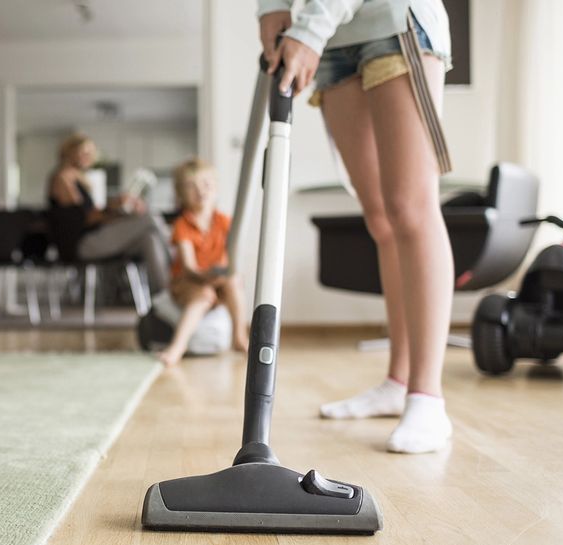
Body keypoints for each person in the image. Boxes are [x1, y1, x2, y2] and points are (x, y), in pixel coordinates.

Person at [257, 0, 455, 454]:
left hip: (394, 22)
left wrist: (310, 26)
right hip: (334, 42)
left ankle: (427, 397)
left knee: (410, 208)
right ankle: (397, 381)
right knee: (381, 219)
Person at [47, 134, 170, 293]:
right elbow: (84, 217)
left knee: (149, 238)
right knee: (150, 218)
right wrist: (115, 206)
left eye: (91, 152)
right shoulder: (63, 178)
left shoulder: (81, 179)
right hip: (81, 244)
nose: (89, 156)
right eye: (83, 152)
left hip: (94, 237)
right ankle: (179, 266)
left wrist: (123, 209)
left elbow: (97, 215)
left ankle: (165, 294)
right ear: (70, 152)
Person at [157, 159, 249, 367]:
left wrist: (223, 275)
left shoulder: (225, 222)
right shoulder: (182, 225)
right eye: (191, 186)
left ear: (215, 188)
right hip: (188, 281)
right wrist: (208, 278)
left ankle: (240, 337)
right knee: (204, 294)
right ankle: (177, 347)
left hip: (216, 278)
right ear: (181, 194)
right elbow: (189, 267)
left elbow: (232, 259)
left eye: (206, 184)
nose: (200, 191)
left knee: (234, 281)